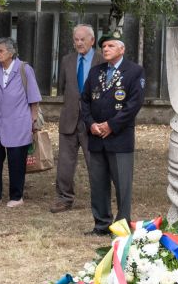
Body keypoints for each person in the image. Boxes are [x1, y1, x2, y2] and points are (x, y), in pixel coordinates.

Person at [83, 29, 144, 236]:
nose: (106, 49)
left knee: (122, 186)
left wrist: (111, 125)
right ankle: (101, 224)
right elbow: (85, 101)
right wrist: (91, 124)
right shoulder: (96, 71)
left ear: (122, 49)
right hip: (96, 138)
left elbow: (134, 104)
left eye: (110, 45)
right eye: (103, 46)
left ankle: (121, 227)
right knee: (98, 184)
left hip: (119, 138)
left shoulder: (134, 71)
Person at [0, 37, 41, 207]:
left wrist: (33, 119)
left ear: (11, 52)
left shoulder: (24, 69)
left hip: (17, 123)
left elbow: (33, 97)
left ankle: (16, 196)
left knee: (16, 162)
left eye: (1, 51)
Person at [51, 23, 98, 214]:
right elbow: (64, 87)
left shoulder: (103, 60)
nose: (79, 43)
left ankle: (99, 198)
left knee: (95, 162)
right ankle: (64, 198)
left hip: (93, 120)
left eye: (82, 39)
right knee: (65, 162)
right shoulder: (67, 60)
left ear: (92, 40)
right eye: (76, 40)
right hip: (69, 118)